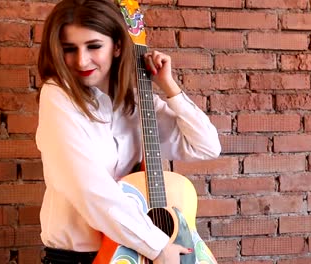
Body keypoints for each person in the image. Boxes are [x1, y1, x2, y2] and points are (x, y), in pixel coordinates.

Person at [36, 0, 221, 263]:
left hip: (138, 252)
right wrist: (158, 247)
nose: (81, 60)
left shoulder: (136, 103)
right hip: (81, 257)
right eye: (69, 49)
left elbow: (205, 146)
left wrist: (169, 87)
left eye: (94, 46)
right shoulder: (58, 96)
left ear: (117, 47)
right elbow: (89, 189)